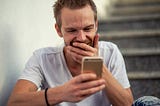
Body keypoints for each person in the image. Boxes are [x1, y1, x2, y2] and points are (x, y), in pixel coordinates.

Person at [7, 0, 134, 106]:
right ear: (58, 30)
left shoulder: (110, 52)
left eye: (87, 28)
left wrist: (97, 66)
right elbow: (14, 102)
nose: (82, 38)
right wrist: (62, 93)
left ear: (96, 25)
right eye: (72, 30)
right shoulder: (42, 58)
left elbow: (127, 104)